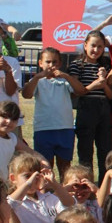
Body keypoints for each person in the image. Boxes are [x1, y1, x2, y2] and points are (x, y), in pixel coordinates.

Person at [22, 47, 86, 178]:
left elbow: (80, 90)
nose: (51, 65)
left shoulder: (64, 81)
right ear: (40, 63)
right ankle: (47, 192)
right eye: (48, 62)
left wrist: (65, 75)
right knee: (45, 167)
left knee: (65, 167)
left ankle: (64, 191)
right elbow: (26, 94)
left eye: (55, 62)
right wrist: (38, 76)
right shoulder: (38, 81)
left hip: (65, 129)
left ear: (60, 63)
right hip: (44, 129)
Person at [8, 152, 76, 223]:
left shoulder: (47, 199)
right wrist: (27, 184)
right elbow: (9, 204)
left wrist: (54, 183)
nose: (33, 180)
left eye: (36, 176)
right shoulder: (15, 202)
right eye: (27, 176)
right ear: (13, 178)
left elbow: (70, 204)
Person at [67, 31, 112, 182]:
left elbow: (110, 94)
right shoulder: (76, 65)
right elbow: (75, 92)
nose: (96, 50)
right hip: (86, 109)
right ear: (85, 45)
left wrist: (104, 80)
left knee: (105, 150)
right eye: (93, 45)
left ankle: (104, 185)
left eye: (100, 46)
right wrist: (94, 85)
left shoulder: (105, 65)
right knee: (85, 150)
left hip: (104, 109)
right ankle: (86, 184)